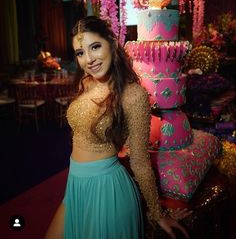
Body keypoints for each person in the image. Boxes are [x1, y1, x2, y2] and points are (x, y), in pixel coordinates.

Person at [44, 16, 191, 239]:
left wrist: (157, 213)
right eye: (80, 53)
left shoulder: (133, 95)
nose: (89, 59)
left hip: (107, 191)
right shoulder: (87, 81)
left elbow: (140, 161)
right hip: (75, 186)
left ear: (112, 43)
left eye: (95, 47)